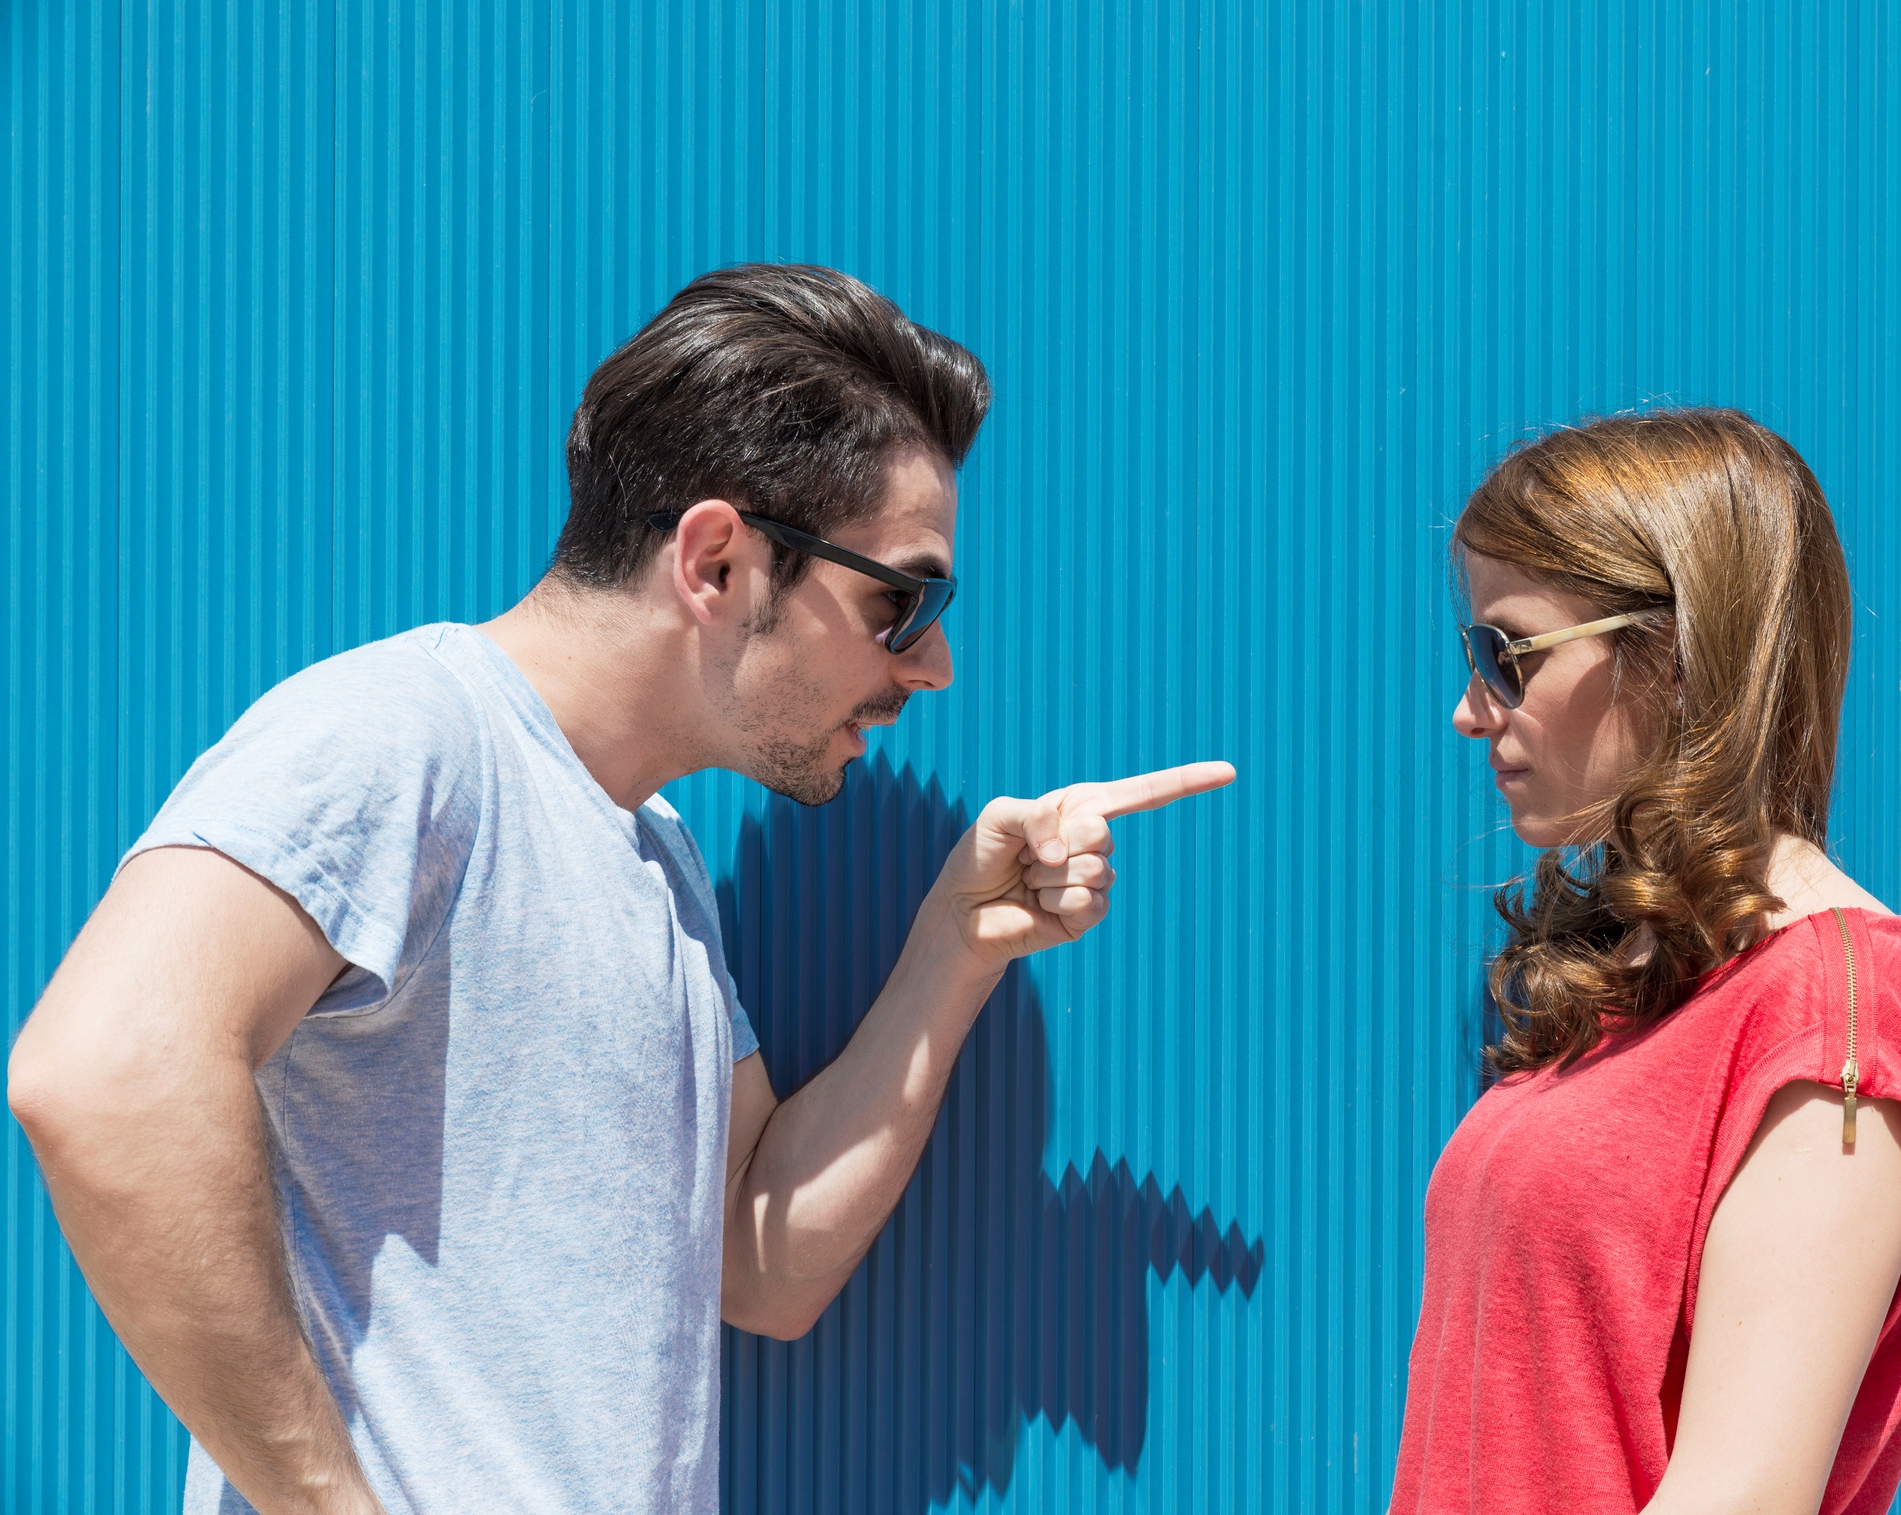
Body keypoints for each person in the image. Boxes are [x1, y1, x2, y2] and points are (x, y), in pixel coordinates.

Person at [7, 264, 1232, 1515]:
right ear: (714, 562)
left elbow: (760, 1262)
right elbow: (104, 1077)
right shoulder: (404, 739)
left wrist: (951, 952)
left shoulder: (655, 853)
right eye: (900, 600)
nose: (934, 665)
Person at [1393, 408, 1901, 1514]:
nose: (1470, 712)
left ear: (1673, 653)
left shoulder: (1837, 1010)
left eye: (1504, 654)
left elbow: (1739, 1495)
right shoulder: (1648, 983)